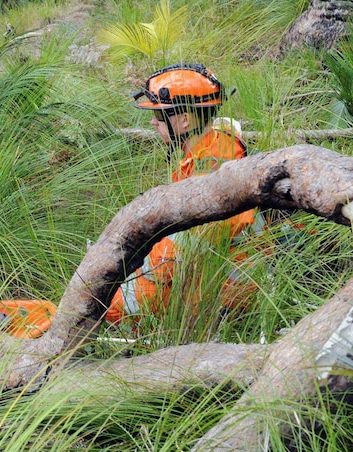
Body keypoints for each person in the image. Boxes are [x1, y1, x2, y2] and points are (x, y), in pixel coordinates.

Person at [106, 63, 263, 330]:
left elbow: (183, 249)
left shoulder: (214, 168)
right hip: (205, 280)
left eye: (160, 115)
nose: (153, 122)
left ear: (186, 120)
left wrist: (122, 272)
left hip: (220, 292)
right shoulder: (210, 151)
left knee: (107, 312)